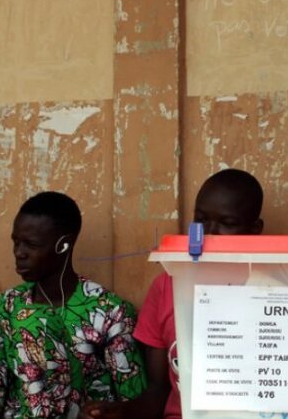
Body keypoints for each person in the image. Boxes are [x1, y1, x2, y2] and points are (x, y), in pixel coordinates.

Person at [80, 168, 264, 419]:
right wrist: (122, 412)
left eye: (227, 224)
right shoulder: (169, 286)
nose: (209, 233)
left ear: (255, 230)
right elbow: (159, 391)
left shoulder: (275, 286)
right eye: (200, 220)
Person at [0, 191, 146, 418]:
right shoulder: (2, 309)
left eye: (31, 244)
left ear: (63, 245)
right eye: (16, 242)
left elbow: (133, 399)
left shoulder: (110, 312)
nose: (19, 253)